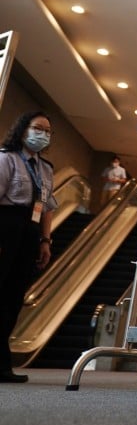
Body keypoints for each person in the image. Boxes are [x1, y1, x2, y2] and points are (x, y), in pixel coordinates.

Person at [0, 112, 57, 382]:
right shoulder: (7, 158)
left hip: (30, 234)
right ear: (23, 130)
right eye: (38, 128)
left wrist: (45, 241)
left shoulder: (46, 168)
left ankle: (2, 365)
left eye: (47, 131)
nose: (43, 134)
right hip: (6, 227)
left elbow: (46, 208)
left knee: (13, 299)